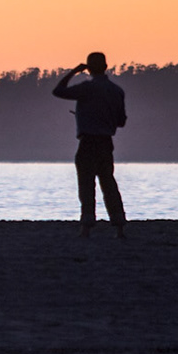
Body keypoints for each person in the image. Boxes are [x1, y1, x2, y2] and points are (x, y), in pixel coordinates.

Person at [52, 52, 127, 238]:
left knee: (86, 184)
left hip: (87, 142)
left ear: (88, 68)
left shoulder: (86, 88)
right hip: (106, 143)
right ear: (106, 67)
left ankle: (86, 226)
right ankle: (119, 227)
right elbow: (121, 122)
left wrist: (73, 72)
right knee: (108, 183)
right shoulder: (117, 91)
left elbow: (58, 91)